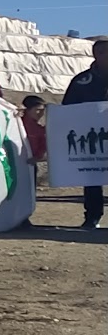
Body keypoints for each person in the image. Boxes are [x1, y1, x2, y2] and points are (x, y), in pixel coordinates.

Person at [61, 39, 108, 229]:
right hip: (92, 142)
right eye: (103, 52)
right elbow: (67, 109)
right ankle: (93, 217)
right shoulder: (81, 82)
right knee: (92, 177)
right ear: (95, 55)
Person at [20, 95, 48, 165]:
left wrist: (36, 158)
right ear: (27, 109)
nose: (41, 114)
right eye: (38, 110)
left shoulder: (40, 130)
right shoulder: (15, 122)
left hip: (28, 166)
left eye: (43, 111)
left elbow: (43, 147)